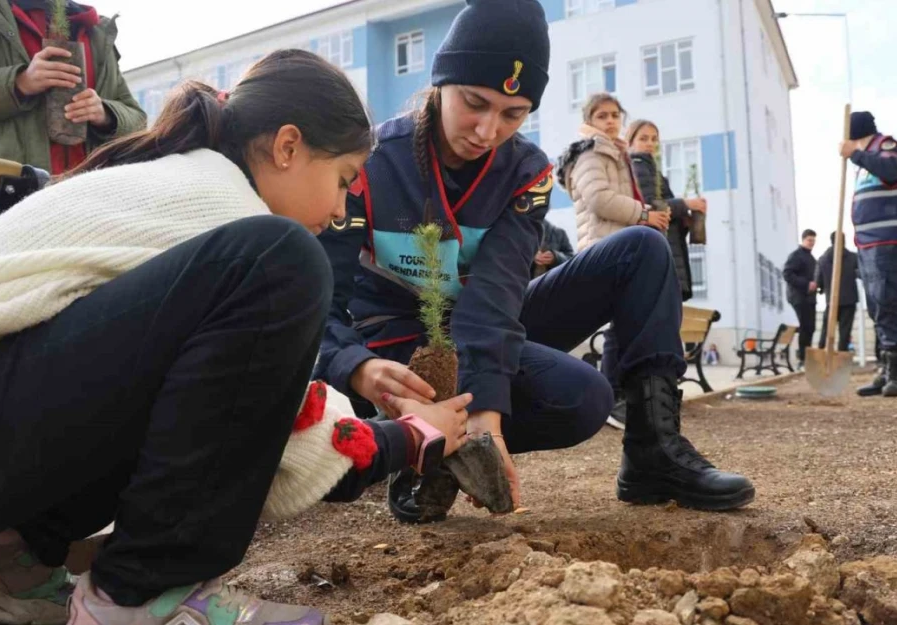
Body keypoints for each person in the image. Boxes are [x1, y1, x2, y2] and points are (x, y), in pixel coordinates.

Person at [0, 50, 475, 625]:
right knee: (289, 259)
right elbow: (274, 430)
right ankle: (143, 597)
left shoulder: (185, 184)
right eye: (342, 181)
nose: (339, 210)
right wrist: (409, 436)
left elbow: (213, 403)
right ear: (288, 147)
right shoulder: (223, 210)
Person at [316, 0, 754, 526]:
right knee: (398, 360)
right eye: (473, 103)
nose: (486, 130)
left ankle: (653, 453)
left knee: (637, 260)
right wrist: (356, 368)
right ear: (440, 83)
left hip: (479, 326)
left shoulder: (525, 173)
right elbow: (320, 304)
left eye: (513, 114)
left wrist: (487, 424)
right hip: (396, 350)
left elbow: (495, 297)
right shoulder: (370, 162)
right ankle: (424, 450)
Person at [0, 0, 146, 175]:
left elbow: (138, 121)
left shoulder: (96, 30)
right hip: (2, 198)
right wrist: (20, 83)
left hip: (89, 201)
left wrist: (105, 114)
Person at [556, 94, 667, 427]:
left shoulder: (615, 151)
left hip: (617, 244)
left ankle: (618, 396)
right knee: (620, 327)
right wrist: (644, 214)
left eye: (615, 115)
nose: (610, 121)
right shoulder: (592, 151)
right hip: (604, 246)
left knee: (625, 323)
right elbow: (599, 199)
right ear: (589, 120)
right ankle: (611, 397)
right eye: (602, 115)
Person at [841, 111, 897, 397]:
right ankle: (886, 369)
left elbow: (891, 171)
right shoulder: (865, 161)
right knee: (876, 307)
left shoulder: (885, 146)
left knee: (887, 302)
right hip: (869, 245)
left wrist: (854, 155)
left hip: (889, 240)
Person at [625, 119, 708, 302]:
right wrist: (686, 204)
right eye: (643, 138)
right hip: (657, 249)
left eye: (654, 139)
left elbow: (663, 210)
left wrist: (684, 220)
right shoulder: (637, 167)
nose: (650, 144)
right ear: (630, 142)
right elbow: (649, 207)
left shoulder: (651, 170)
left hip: (667, 246)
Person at [816, 231, 859, 352]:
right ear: (844, 241)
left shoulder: (823, 259)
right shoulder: (853, 257)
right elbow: (862, 274)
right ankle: (842, 354)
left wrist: (821, 289)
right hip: (849, 299)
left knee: (827, 329)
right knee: (845, 331)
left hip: (831, 300)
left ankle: (821, 352)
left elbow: (818, 281)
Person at [783, 229, 818, 369]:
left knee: (811, 328)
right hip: (798, 297)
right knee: (805, 327)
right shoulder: (796, 256)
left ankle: (807, 358)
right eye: (809, 240)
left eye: (814, 241)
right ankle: (803, 359)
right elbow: (787, 274)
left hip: (810, 298)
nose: (812, 243)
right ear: (803, 240)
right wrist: (806, 284)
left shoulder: (812, 258)